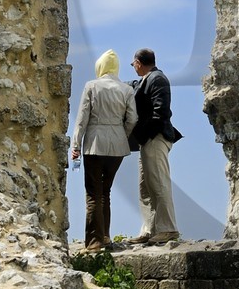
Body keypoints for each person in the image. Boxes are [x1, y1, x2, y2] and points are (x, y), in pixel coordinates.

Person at [69, 49, 138, 251]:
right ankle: (106, 236)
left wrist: (75, 146)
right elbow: (133, 118)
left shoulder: (92, 86)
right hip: (117, 146)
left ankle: (94, 242)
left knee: (93, 193)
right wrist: (121, 135)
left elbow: (82, 119)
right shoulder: (126, 89)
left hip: (94, 144)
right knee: (105, 191)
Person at [129, 47, 182, 244]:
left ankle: (168, 228)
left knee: (159, 182)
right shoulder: (147, 79)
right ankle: (149, 229)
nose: (133, 67)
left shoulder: (158, 79)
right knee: (145, 186)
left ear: (138, 63)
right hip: (147, 139)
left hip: (155, 137)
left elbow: (161, 112)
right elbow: (133, 87)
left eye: (133, 64)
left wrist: (146, 133)